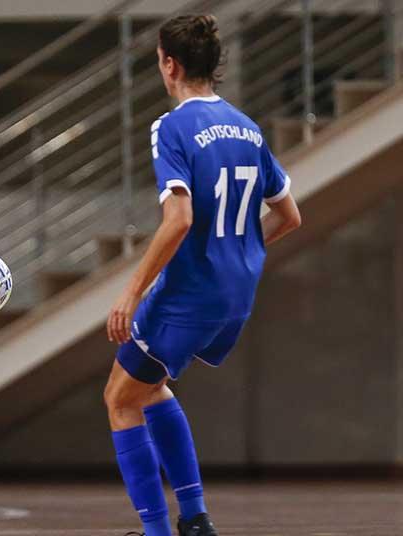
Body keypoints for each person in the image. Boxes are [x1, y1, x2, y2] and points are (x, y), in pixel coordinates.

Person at [102, 15, 302, 536]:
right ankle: (194, 519)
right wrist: (238, 249)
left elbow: (180, 218)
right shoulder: (248, 127)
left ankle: (158, 531)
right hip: (236, 291)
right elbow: (289, 216)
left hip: (188, 292)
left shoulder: (172, 126)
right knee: (152, 388)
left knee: (119, 400)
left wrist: (131, 291)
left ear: (169, 65)